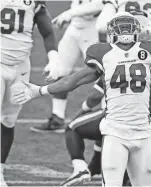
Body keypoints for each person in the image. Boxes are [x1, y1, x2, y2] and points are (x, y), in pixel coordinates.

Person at [13, 12, 151, 187]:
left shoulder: (103, 53)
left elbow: (74, 80)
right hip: (134, 133)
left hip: (124, 133)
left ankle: (85, 167)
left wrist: (40, 90)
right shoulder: (149, 52)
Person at [1, 0, 59, 186]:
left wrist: (53, 57)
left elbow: (47, 31)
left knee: (8, 120)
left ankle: (0, 171)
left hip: (21, 67)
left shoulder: (33, 2)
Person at [30, 0, 104, 133]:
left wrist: (70, 13)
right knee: (58, 70)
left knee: (99, 71)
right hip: (74, 28)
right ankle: (57, 118)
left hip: (92, 29)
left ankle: (107, 115)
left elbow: (99, 4)